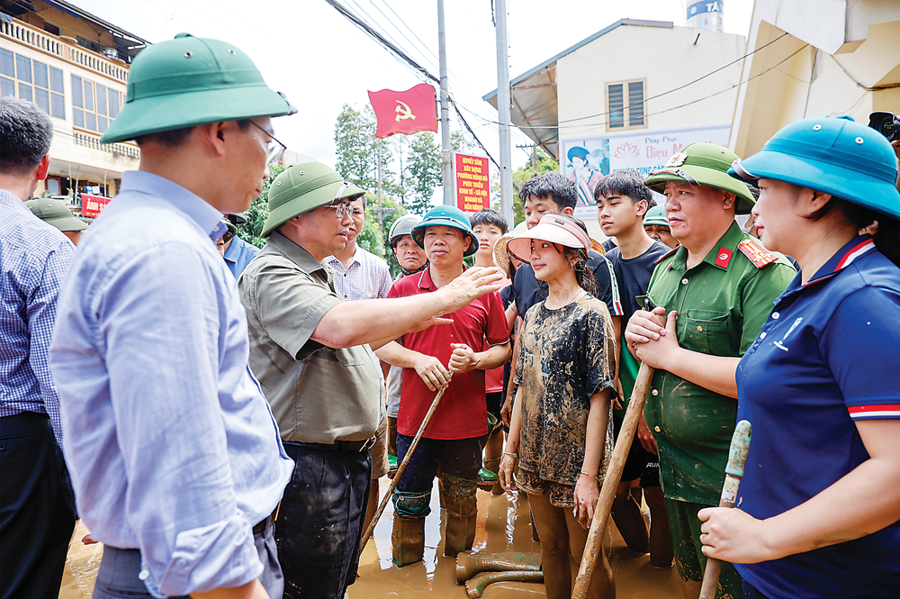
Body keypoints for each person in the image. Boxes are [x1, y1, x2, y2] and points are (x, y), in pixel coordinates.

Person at [49, 34, 297, 599]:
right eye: (267, 139)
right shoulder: (164, 252)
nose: (269, 162)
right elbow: (182, 471)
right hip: (193, 578)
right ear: (219, 133)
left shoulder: (151, 234)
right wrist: (237, 589)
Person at [240, 165, 502, 597]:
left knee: (334, 578)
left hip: (339, 458)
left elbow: (357, 340)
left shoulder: (313, 272)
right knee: (306, 585)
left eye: (348, 208)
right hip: (308, 459)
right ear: (296, 218)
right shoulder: (274, 272)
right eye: (335, 207)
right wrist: (445, 298)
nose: (348, 218)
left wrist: (423, 312)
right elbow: (339, 329)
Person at [697, 116, 900, 599]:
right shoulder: (809, 286)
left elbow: (895, 469)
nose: (754, 206)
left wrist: (765, 536)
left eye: (764, 189)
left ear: (816, 197)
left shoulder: (863, 298)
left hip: (830, 580)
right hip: (779, 571)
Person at [624, 143, 796, 599]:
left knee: (735, 589)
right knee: (687, 579)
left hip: (734, 473)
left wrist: (670, 356)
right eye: (668, 192)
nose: (671, 203)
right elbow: (653, 353)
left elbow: (767, 380)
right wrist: (636, 338)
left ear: (726, 199)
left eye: (686, 191)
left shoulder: (761, 273)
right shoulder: (666, 269)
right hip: (675, 466)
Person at [380, 205, 510, 566]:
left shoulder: (484, 290)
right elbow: (380, 341)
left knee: (463, 505)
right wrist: (415, 359)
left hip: (466, 425)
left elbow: (502, 347)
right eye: (430, 235)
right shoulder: (404, 288)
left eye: (448, 234)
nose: (437, 241)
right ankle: (407, 574)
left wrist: (475, 360)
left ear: (466, 242)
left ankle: (458, 572)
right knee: (408, 504)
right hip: (414, 421)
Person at [498, 213, 617, 599]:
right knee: (550, 548)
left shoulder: (591, 313)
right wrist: (510, 452)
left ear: (573, 256)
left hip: (578, 458)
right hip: (534, 454)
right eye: (532, 247)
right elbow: (520, 389)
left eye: (545, 246)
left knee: (588, 555)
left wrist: (588, 476)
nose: (534, 254)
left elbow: (601, 398)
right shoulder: (532, 313)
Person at [0, 96, 77, 599]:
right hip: (17, 453)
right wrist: (91, 483)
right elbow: (62, 380)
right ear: (43, 167)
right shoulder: (43, 246)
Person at [595, 170, 673, 568]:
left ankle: (661, 574)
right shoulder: (603, 265)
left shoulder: (667, 263)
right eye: (600, 205)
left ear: (641, 207)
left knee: (660, 495)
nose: (604, 213)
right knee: (615, 491)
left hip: (658, 396)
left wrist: (645, 409)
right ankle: (640, 558)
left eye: (614, 203)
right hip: (617, 396)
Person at [500, 173, 622, 427]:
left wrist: (609, 385)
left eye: (540, 211)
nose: (532, 219)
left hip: (578, 397)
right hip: (533, 392)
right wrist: (512, 391)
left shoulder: (596, 263)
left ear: (566, 213)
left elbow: (612, 330)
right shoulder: (525, 270)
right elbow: (523, 334)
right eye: (527, 211)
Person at [322, 192, 393, 548]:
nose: (350, 220)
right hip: (325, 392)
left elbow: (386, 332)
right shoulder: (315, 266)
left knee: (372, 470)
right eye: (342, 212)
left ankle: (362, 549)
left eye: (357, 212)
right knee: (326, 473)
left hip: (369, 388)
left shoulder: (378, 268)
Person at [469, 208, 512, 492]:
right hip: (468, 373)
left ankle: (495, 491)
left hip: (499, 373)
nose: (484, 237)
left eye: (492, 231)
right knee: (469, 434)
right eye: (479, 230)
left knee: (496, 429)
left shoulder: (510, 280)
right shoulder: (460, 278)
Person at [383, 214, 428, 471]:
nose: (411, 251)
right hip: (401, 388)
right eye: (403, 245)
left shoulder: (445, 285)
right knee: (402, 467)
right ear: (395, 252)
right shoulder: (395, 288)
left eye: (417, 245)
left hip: (439, 379)